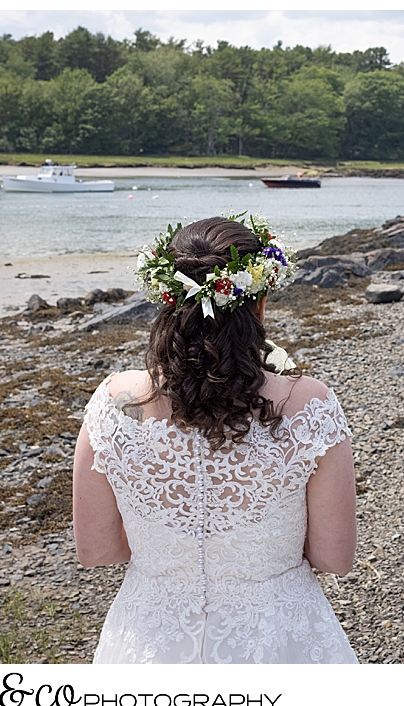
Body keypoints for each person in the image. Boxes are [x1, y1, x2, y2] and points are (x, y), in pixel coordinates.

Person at [72, 215, 359, 664]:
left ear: (167, 303)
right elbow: (334, 557)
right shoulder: (307, 404)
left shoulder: (114, 403)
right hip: (276, 638)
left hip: (150, 639)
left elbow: (97, 550)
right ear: (258, 305)